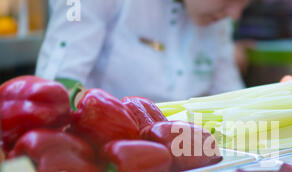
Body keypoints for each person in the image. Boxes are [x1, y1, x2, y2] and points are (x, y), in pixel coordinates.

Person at [36, 0, 249, 101]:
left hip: (186, 156)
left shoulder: (217, 18)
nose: (235, 15)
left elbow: (231, 98)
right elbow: (58, 88)